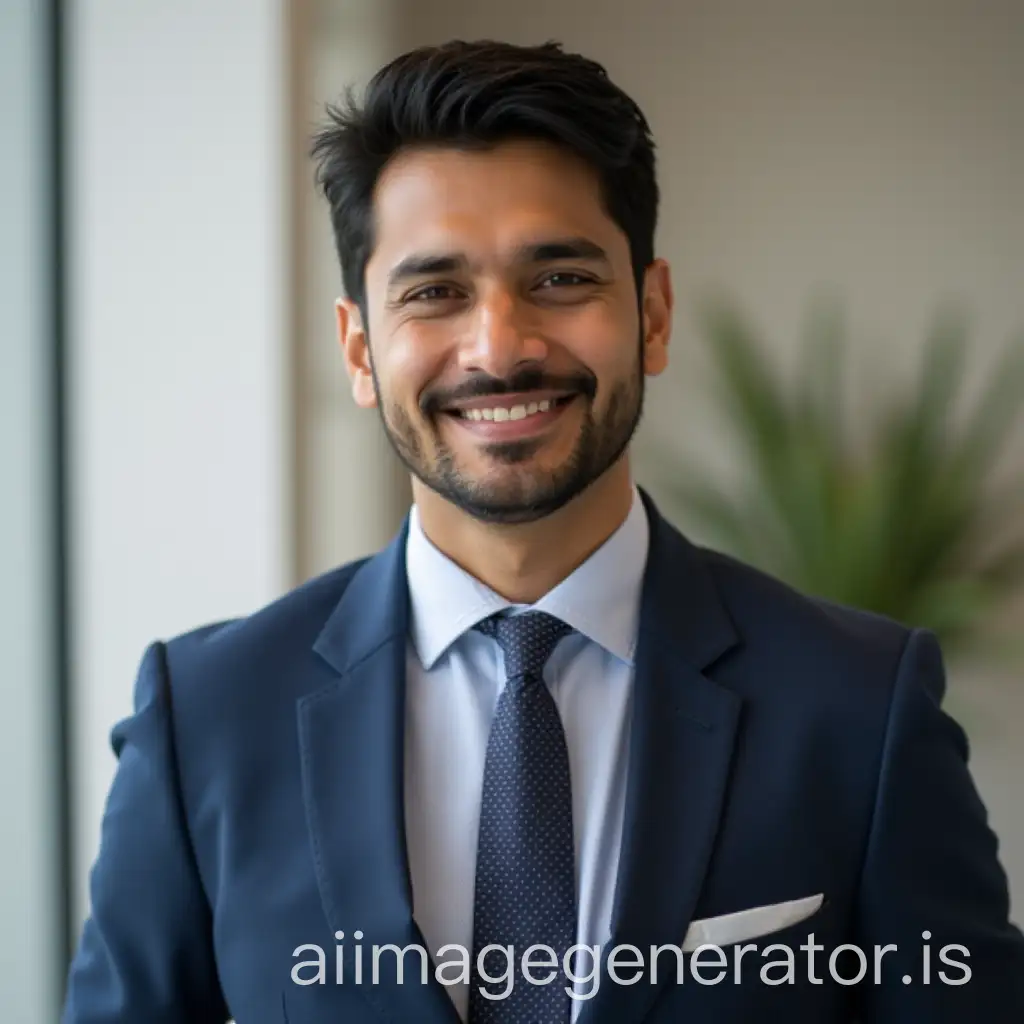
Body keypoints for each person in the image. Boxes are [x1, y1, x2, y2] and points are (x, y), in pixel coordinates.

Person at [62, 38, 1024, 1024]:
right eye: (433, 291)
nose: (500, 346)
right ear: (359, 348)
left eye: (559, 278)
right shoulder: (208, 721)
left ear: (651, 314)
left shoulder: (860, 708)